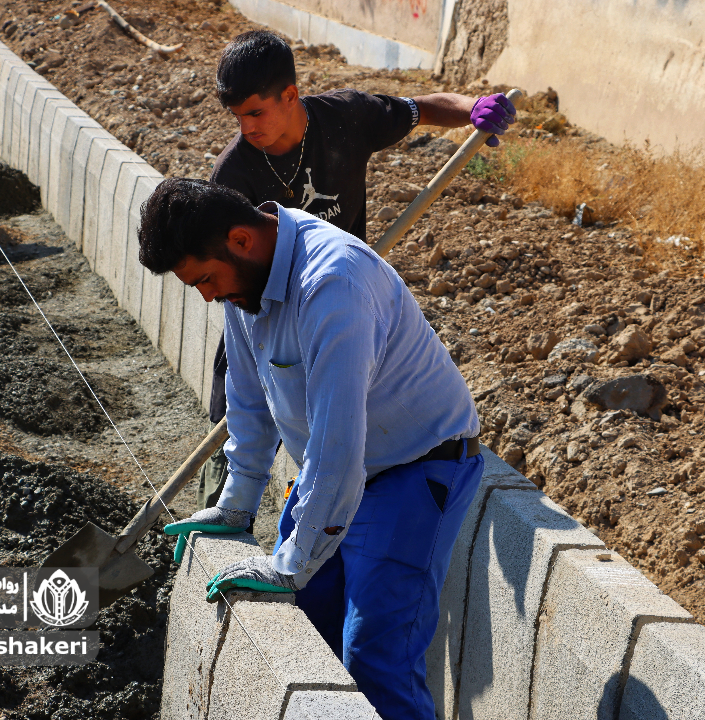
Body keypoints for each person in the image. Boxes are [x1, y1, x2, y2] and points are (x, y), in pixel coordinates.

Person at [138, 179, 485, 720]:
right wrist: (236, 505)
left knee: (376, 661)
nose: (206, 295)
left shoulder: (332, 283)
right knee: (306, 627)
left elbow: (339, 442)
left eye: (205, 279)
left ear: (240, 240)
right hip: (338, 471)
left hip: (412, 475)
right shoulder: (243, 284)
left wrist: (293, 561)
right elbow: (249, 400)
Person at [192, 29, 515, 511]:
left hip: (335, 308)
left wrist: (472, 108)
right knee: (235, 428)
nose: (246, 128)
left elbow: (421, 107)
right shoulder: (233, 176)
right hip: (264, 319)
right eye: (237, 117)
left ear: (290, 95)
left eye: (255, 112)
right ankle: (220, 522)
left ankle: (324, 529)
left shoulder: (346, 118)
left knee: (334, 429)